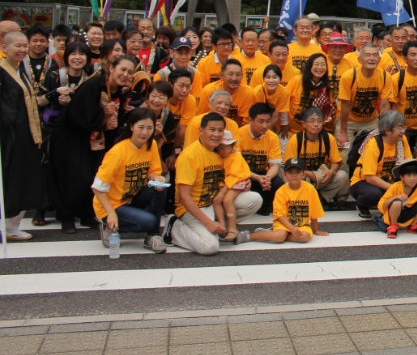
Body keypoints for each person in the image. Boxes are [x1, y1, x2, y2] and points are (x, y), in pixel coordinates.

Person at [48, 54, 135, 233]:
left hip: (94, 138)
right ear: (111, 69)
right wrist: (103, 114)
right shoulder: (94, 85)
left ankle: (87, 212)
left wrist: (110, 121)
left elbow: (110, 118)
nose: (126, 75)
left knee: (93, 174)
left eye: (130, 72)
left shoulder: (117, 90)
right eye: (122, 70)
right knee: (75, 176)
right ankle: (66, 217)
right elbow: (80, 116)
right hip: (71, 135)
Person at [165, 112, 262, 253]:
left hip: (216, 203)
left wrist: (244, 183)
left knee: (255, 199)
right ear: (201, 131)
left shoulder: (221, 151)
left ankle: (221, 230)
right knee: (209, 247)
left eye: (220, 130)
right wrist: (208, 223)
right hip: (193, 208)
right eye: (212, 130)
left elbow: (233, 174)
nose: (216, 134)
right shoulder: (189, 156)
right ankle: (174, 227)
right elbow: (184, 197)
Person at [91, 107, 168, 253]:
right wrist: (111, 213)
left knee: (160, 189)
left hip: (131, 197)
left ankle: (153, 236)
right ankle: (108, 225)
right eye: (140, 127)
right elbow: (97, 187)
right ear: (131, 127)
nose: (145, 132)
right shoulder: (118, 152)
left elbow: (151, 172)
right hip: (111, 204)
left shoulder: (150, 145)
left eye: (149, 128)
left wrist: (157, 178)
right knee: (149, 221)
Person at [0, 31, 45, 241]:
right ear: (4, 48)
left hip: (26, 133)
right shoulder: (2, 72)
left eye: (24, 46)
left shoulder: (21, 71)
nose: (22, 50)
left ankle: (13, 225)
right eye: (17, 46)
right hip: (9, 135)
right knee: (10, 179)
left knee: (22, 178)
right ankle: (6, 225)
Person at [241, 157, 328, 244]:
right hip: (283, 223)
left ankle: (273, 235)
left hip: (302, 225)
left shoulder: (310, 189)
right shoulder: (281, 191)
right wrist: (291, 228)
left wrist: (316, 230)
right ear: (284, 175)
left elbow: (314, 211)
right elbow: (279, 215)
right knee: (279, 237)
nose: (294, 175)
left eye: (298, 172)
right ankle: (250, 236)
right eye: (290, 172)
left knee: (305, 237)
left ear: (303, 175)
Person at [348, 110, 412, 219]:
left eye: (403, 127)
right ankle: (362, 204)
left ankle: (389, 204)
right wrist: (394, 189)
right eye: (399, 127)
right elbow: (370, 178)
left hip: (389, 179)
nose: (403, 131)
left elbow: (408, 164)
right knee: (373, 194)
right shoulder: (374, 145)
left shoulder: (402, 140)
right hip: (364, 182)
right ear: (387, 131)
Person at [283, 107, 349, 208]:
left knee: (342, 175)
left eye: (319, 121)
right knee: (292, 177)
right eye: (312, 121)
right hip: (304, 176)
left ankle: (321, 197)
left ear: (323, 123)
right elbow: (290, 167)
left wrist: (331, 172)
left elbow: (336, 162)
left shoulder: (328, 138)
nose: (316, 124)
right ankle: (305, 199)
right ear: (303, 124)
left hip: (323, 177)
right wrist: (309, 174)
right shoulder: (295, 140)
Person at [337, 43, 396, 148]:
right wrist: (342, 132)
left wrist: (384, 128)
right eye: (367, 55)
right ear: (360, 60)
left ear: (379, 59)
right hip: (348, 121)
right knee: (345, 156)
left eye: (375, 55)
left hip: (371, 121)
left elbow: (384, 106)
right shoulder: (349, 76)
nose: (372, 58)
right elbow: (345, 105)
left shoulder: (385, 76)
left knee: (375, 149)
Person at [379, 158, 417, 238]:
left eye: (415, 175)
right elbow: (381, 204)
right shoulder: (396, 186)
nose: (412, 178)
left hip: (409, 213)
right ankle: (393, 226)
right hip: (395, 213)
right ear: (402, 177)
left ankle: (413, 225)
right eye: (408, 175)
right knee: (396, 203)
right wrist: (396, 197)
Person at [212, 129, 250, 241]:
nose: (221, 151)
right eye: (218, 148)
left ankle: (233, 229)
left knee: (227, 200)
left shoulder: (236, 156)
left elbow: (233, 176)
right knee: (216, 200)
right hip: (226, 183)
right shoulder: (224, 156)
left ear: (231, 145)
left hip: (237, 182)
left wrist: (222, 192)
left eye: (223, 147)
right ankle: (222, 226)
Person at [283, 52, 333, 136]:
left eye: (323, 65)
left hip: (312, 133)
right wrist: (284, 123)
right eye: (316, 64)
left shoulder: (326, 87)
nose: (319, 68)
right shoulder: (297, 80)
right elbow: (283, 101)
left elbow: (329, 109)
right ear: (310, 66)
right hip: (289, 131)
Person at [196, 58, 256, 125]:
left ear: (242, 76)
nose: (234, 78)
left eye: (238, 75)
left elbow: (241, 121)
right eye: (230, 74)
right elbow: (201, 117)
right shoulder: (209, 91)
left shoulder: (247, 93)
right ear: (221, 76)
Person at [192, 28, 236, 95]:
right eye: (223, 44)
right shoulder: (204, 63)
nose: (227, 47)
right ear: (213, 46)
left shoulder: (237, 62)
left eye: (229, 43)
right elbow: (199, 88)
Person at [253, 64, 288, 138]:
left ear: (280, 79)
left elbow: (276, 115)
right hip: (255, 123)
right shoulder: (257, 92)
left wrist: (266, 131)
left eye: (275, 77)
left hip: (272, 124)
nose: (271, 81)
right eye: (268, 77)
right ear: (263, 79)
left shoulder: (284, 92)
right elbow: (255, 116)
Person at [24, 24, 54, 95]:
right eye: (35, 41)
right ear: (28, 43)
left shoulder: (54, 64)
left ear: (47, 43)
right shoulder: (19, 63)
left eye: (42, 41)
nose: (38, 44)